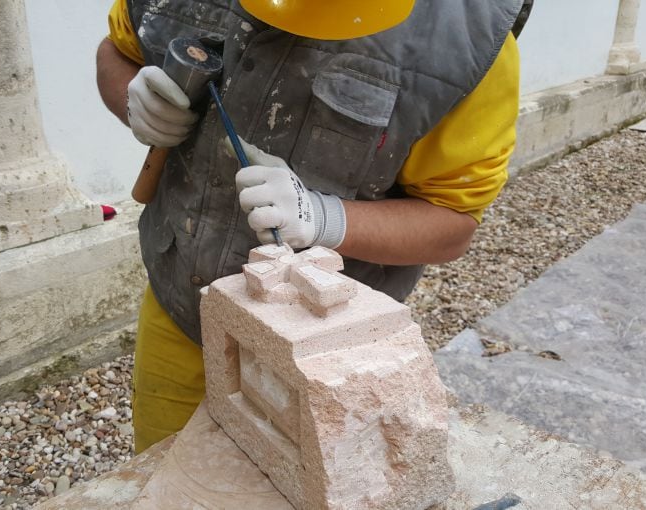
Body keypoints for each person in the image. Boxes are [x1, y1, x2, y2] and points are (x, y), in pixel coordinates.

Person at [97, 0, 525, 454]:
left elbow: (451, 224)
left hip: (323, 352)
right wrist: (132, 99)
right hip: (182, 304)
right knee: (164, 478)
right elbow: (117, 51)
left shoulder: (470, 42)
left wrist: (324, 218)